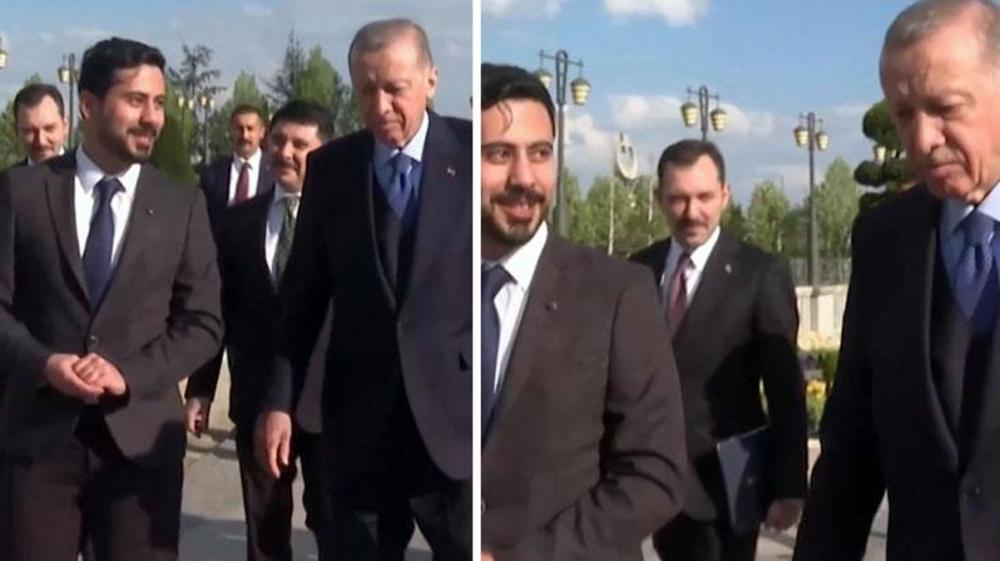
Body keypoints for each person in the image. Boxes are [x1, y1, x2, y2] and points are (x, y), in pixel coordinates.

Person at [0, 36, 222, 561]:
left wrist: (129, 374)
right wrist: (44, 362)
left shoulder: (182, 205)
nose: (152, 117)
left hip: (141, 449)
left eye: (159, 102)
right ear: (88, 104)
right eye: (136, 100)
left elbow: (203, 323)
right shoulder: (22, 193)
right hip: (38, 444)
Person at [257, 18, 472, 561]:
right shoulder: (331, 169)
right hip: (359, 427)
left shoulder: (474, 157)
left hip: (456, 422)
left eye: (395, 89)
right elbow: (302, 298)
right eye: (365, 91)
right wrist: (279, 402)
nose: (380, 107)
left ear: (431, 79)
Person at [794, 1, 1000, 560]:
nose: (923, 138)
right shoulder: (885, 239)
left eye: (945, 108)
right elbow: (851, 450)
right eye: (904, 114)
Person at [479, 62, 686, 561]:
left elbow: (655, 471)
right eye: (499, 154)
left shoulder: (617, 293)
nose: (524, 178)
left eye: (540, 153)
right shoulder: (431, 282)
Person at [630, 139, 807, 561]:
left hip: (724, 488)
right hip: (646, 479)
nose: (692, 212)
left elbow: (784, 389)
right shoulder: (637, 270)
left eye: (704, 197)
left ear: (725, 195)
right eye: (678, 198)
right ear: (658, 199)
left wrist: (788, 486)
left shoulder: (759, 274)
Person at [184, 100, 333, 561]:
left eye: (300, 145)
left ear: (325, 151)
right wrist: (201, 388)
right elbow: (219, 309)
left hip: (327, 401)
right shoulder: (239, 222)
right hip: (257, 395)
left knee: (333, 524)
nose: (285, 152)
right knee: (265, 531)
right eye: (279, 141)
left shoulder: (345, 221)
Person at [200, 104, 273, 230]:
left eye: (250, 129)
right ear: (231, 131)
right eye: (239, 129)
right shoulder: (213, 174)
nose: (244, 135)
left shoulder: (275, 172)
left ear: (261, 132)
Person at [12, 83, 69, 166]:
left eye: (49, 129)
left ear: (65, 126)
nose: (41, 141)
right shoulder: (9, 175)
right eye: (29, 131)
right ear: (16, 131)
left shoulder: (84, 172)